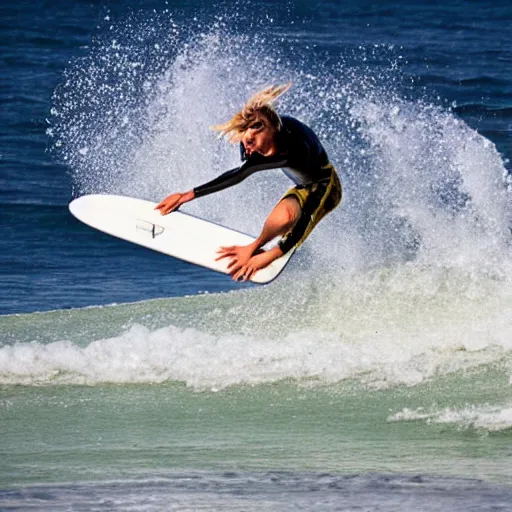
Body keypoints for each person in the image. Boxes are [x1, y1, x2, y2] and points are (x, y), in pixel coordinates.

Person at [155, 83, 342, 282]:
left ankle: (270, 244)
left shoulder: (296, 150)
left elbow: (308, 216)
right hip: (301, 186)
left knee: (290, 218)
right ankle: (267, 240)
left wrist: (268, 255)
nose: (248, 148)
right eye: (245, 140)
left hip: (325, 187)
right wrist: (185, 196)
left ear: (271, 130)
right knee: (283, 220)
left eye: (252, 141)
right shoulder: (260, 136)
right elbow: (239, 173)